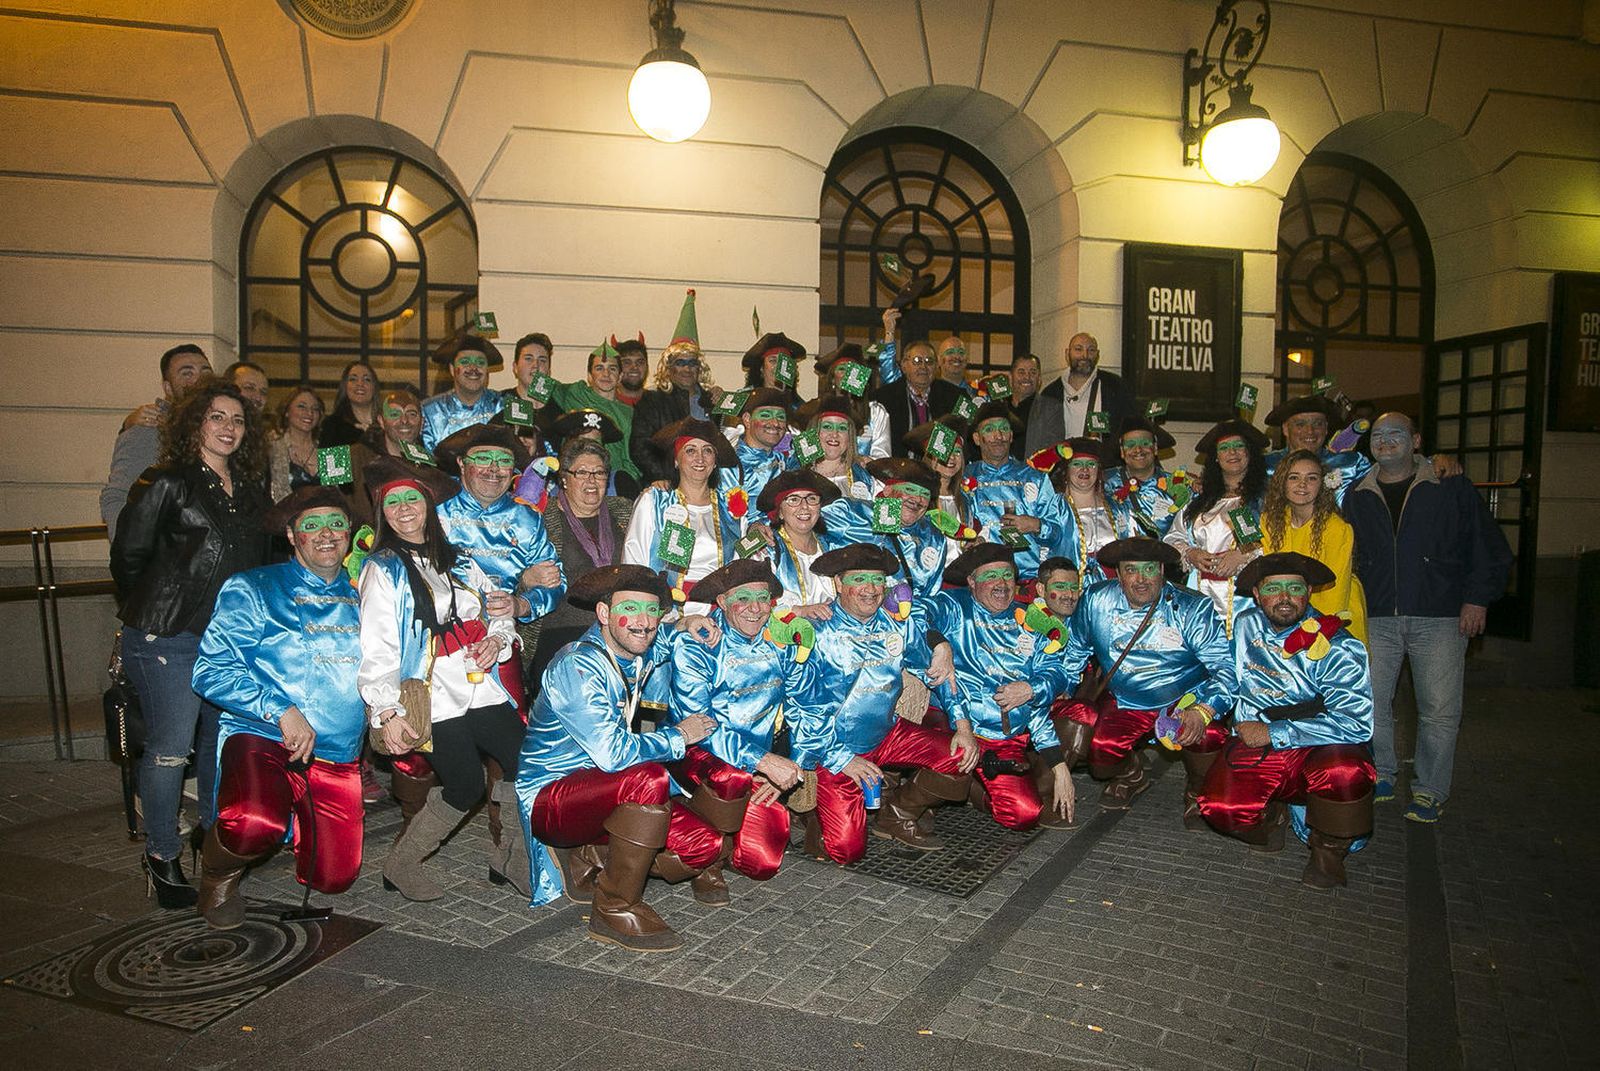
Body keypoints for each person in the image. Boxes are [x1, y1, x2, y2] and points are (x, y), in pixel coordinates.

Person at [110, 381, 269, 908]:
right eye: (215, 417)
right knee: (171, 750)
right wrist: (152, 615)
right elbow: (128, 559)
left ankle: (214, 847)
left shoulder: (249, 488)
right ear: (193, 423)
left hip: (228, 641)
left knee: (217, 748)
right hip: (168, 637)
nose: (227, 428)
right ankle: (161, 854)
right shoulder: (166, 480)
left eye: (237, 420)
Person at [512, 564, 722, 952]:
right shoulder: (578, 665)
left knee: (702, 846)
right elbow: (612, 754)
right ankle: (614, 907)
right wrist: (679, 736)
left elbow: (644, 729)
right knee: (649, 779)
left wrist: (686, 622)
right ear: (605, 614)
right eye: (631, 610)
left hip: (613, 789)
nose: (643, 622)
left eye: (652, 611)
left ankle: (592, 852)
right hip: (553, 795)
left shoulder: (647, 656)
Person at [190, 486, 366, 928]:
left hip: (337, 753)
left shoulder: (370, 593)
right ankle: (217, 872)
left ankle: (297, 826)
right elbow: (209, 671)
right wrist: (279, 709)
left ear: (350, 534)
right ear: (292, 535)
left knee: (334, 878)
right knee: (252, 823)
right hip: (264, 733)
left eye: (335, 525)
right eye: (311, 525)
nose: (325, 534)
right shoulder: (253, 588)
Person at [358, 456, 529, 902]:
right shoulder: (383, 568)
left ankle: (509, 858)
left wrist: (498, 640)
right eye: (392, 502)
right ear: (383, 513)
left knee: (523, 762)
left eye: (411, 498)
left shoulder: (461, 560)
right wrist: (385, 710)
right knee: (466, 785)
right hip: (432, 694)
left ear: (428, 505)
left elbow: (497, 611)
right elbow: (376, 647)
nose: (404, 508)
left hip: (479, 681)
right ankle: (401, 864)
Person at [1343, 412, 1511, 823]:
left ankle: (1430, 790)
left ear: (1416, 440)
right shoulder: (1357, 494)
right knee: (1371, 701)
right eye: (1378, 435)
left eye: (1395, 433)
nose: (1385, 441)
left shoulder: (1449, 485)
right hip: (1378, 615)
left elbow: (1487, 547)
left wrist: (1477, 599)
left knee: (1438, 709)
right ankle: (1381, 772)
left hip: (1439, 615)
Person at [1198, 552, 1376, 888]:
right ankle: (1273, 813)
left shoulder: (1338, 645)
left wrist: (1273, 732)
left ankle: (1328, 851)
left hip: (1319, 747)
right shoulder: (1245, 624)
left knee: (1345, 772)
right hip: (1258, 745)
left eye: (1294, 588)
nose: (1284, 598)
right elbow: (1227, 679)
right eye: (1273, 588)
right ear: (1256, 594)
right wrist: (1202, 708)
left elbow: (1357, 723)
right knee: (1219, 807)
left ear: (1309, 591)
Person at [788, 544, 971, 862]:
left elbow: (940, 672)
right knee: (846, 852)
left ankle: (895, 812)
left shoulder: (895, 625)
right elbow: (799, 711)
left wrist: (963, 724)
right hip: (832, 750)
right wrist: (843, 759)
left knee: (962, 756)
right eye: (860, 579)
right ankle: (815, 816)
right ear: (840, 584)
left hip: (888, 734)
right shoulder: (816, 633)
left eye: (877, 580)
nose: (871, 589)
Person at [660, 560, 808, 902]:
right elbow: (703, 726)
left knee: (762, 863)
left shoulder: (781, 639)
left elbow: (804, 707)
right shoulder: (698, 643)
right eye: (743, 598)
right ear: (723, 602)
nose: (755, 609)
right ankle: (703, 860)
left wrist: (788, 767)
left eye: (763, 598)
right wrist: (763, 761)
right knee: (730, 779)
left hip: (757, 763)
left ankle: (724, 836)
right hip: (698, 752)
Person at [1061, 538, 1235, 822]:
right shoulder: (1096, 600)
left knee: (1209, 735)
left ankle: (1196, 788)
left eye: (1149, 570)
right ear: (1118, 574)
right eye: (1131, 570)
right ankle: (1132, 774)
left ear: (1162, 571)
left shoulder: (1193, 608)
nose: (1141, 580)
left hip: (1184, 699)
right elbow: (1074, 653)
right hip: (1125, 700)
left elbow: (1226, 668)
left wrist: (1204, 710)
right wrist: (1063, 691)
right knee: (1100, 754)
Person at [923, 544, 1075, 831]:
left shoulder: (1031, 618)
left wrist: (1058, 764)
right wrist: (939, 643)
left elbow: (1056, 673)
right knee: (954, 756)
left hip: (1005, 736)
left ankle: (974, 790)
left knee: (1024, 815)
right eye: (991, 576)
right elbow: (916, 615)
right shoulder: (954, 606)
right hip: (956, 725)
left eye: (1007, 575)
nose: (1002, 584)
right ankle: (905, 807)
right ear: (972, 581)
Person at [434, 423, 566, 719]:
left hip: (500, 637)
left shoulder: (526, 518)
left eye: (504, 461)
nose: (494, 469)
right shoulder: (435, 510)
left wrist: (520, 603)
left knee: (512, 725)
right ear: (461, 463)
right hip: (439, 641)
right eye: (482, 458)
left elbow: (556, 583)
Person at [522, 439, 635, 697]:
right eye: (581, 472)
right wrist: (526, 579)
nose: (591, 480)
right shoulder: (541, 516)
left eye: (599, 473)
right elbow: (510, 571)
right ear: (563, 478)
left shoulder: (624, 510)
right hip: (561, 635)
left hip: (616, 634)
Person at [623, 418, 742, 615]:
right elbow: (634, 560)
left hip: (721, 615)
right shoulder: (655, 501)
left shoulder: (730, 508)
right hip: (667, 616)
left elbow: (738, 566)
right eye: (690, 450)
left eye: (708, 450)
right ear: (676, 460)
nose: (700, 458)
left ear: (715, 463)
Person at [1164, 418, 1270, 634]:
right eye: (1225, 448)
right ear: (1215, 458)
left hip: (1247, 598)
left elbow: (1281, 540)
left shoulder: (1266, 500)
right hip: (1200, 595)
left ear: (1250, 453)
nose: (1232, 453)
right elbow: (1173, 539)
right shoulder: (1200, 502)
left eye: (1239, 446)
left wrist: (1243, 555)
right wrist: (1191, 553)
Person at [101, 343, 213, 539]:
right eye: (187, 373)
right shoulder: (149, 430)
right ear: (167, 388)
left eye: (205, 372)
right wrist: (129, 557)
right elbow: (119, 497)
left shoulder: (219, 432)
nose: (199, 379)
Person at [966, 402, 1076, 589]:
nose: (998, 436)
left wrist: (1035, 525)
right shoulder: (965, 477)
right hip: (983, 580)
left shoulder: (1036, 477)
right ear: (977, 438)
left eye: (1004, 429)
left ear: (1011, 436)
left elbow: (1060, 534)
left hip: (1031, 582)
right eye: (990, 430)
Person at [1260, 449, 1367, 641]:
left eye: (1311, 478)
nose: (1302, 485)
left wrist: (1313, 632)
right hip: (1286, 614)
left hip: (1331, 619)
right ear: (1282, 482)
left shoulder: (1336, 528)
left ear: (1322, 484)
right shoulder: (1270, 522)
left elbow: (1335, 590)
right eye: (1294, 477)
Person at [631, 290, 720, 484]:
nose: (687, 369)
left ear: (699, 368)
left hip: (706, 486)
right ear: (669, 368)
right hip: (665, 484)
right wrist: (668, 478)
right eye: (680, 362)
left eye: (692, 363)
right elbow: (640, 447)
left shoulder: (712, 402)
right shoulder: (652, 401)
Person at [1023, 332, 1138, 456]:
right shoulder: (1051, 393)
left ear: (1098, 355)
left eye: (1091, 350)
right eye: (1078, 349)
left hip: (1105, 469)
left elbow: (1131, 429)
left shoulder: (1115, 387)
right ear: (1067, 354)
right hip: (1061, 468)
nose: (1085, 355)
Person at [549, 339, 641, 487]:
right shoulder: (575, 392)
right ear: (589, 376)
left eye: (612, 369)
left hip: (611, 482)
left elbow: (630, 458)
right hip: (574, 479)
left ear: (621, 376)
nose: (606, 374)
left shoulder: (628, 413)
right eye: (599, 368)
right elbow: (538, 381)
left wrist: (623, 485)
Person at [873, 309, 962, 458]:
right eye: (916, 361)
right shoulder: (884, 398)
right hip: (898, 471)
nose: (923, 367)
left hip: (939, 471)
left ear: (936, 367)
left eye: (929, 361)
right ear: (904, 365)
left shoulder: (953, 397)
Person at [756, 469, 841, 618]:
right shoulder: (766, 550)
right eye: (793, 499)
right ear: (780, 512)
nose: (804, 506)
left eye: (812, 498)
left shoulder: (832, 547)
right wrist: (799, 611)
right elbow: (754, 600)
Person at [1103, 415, 1186, 539]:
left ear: (1155, 448)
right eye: (1130, 445)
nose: (1138, 449)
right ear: (1122, 451)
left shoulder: (1178, 487)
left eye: (1145, 443)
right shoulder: (1103, 484)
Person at [421, 332, 502, 450]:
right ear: (452, 369)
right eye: (465, 362)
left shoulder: (504, 406)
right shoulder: (429, 411)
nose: (473, 368)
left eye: (480, 363)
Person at [1054, 437, 1118, 582]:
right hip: (1069, 588)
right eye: (1077, 464)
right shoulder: (1053, 508)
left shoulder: (1117, 507)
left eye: (1091, 464)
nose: (1085, 469)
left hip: (1111, 587)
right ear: (1066, 470)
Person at [720, 387, 795, 506]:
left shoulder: (788, 460)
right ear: (747, 419)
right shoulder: (730, 465)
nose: (775, 423)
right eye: (766, 415)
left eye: (781, 417)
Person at [546, 407, 640, 499]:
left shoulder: (620, 482)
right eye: (582, 444)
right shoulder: (554, 493)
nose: (589, 451)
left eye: (595, 444)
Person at [795, 394, 875, 501]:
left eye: (842, 428)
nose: (834, 434)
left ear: (849, 437)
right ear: (814, 432)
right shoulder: (795, 472)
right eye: (827, 427)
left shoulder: (865, 475)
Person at [269, 384, 325, 502]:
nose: (309, 413)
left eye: (315, 409)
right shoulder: (270, 447)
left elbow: (343, 495)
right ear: (286, 412)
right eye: (301, 407)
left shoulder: (331, 446)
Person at [318, 360, 380, 447]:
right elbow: (331, 460)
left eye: (367, 379)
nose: (360, 384)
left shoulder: (387, 424)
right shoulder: (332, 426)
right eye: (353, 379)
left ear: (374, 387)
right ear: (345, 386)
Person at [741, 331, 808, 410]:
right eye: (773, 361)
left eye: (784, 361)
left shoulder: (799, 407)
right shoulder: (744, 401)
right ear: (761, 368)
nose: (778, 366)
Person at [1008, 353, 1042, 457]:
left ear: (1039, 378)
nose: (1027, 377)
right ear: (1010, 377)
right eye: (1021, 372)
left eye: (1033, 372)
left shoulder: (1052, 409)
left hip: (1033, 471)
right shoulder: (998, 407)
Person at [615, 334, 650, 406]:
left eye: (640, 362)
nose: (634, 367)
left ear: (647, 367)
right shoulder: (606, 403)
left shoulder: (661, 403)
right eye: (627, 362)